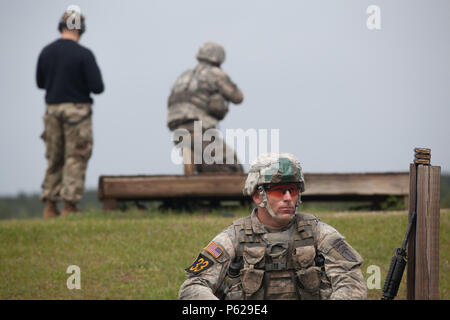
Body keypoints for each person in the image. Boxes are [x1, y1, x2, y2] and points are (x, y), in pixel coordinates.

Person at [179, 153, 367, 300]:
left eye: (292, 190)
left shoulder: (319, 233)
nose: (288, 198)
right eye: (278, 190)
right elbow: (194, 285)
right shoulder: (234, 238)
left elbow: (351, 280)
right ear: (257, 196)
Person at [36, 9, 104, 218]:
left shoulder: (46, 52)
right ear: (80, 30)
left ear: (61, 26)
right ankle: (69, 205)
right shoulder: (84, 54)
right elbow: (97, 87)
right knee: (76, 156)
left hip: (53, 111)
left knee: (54, 157)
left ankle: (49, 205)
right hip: (78, 112)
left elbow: (40, 83)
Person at [167, 42, 244, 174]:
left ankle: (190, 154)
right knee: (231, 165)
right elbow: (238, 97)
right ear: (219, 58)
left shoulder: (184, 75)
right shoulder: (215, 73)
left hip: (177, 128)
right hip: (199, 127)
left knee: (205, 161)